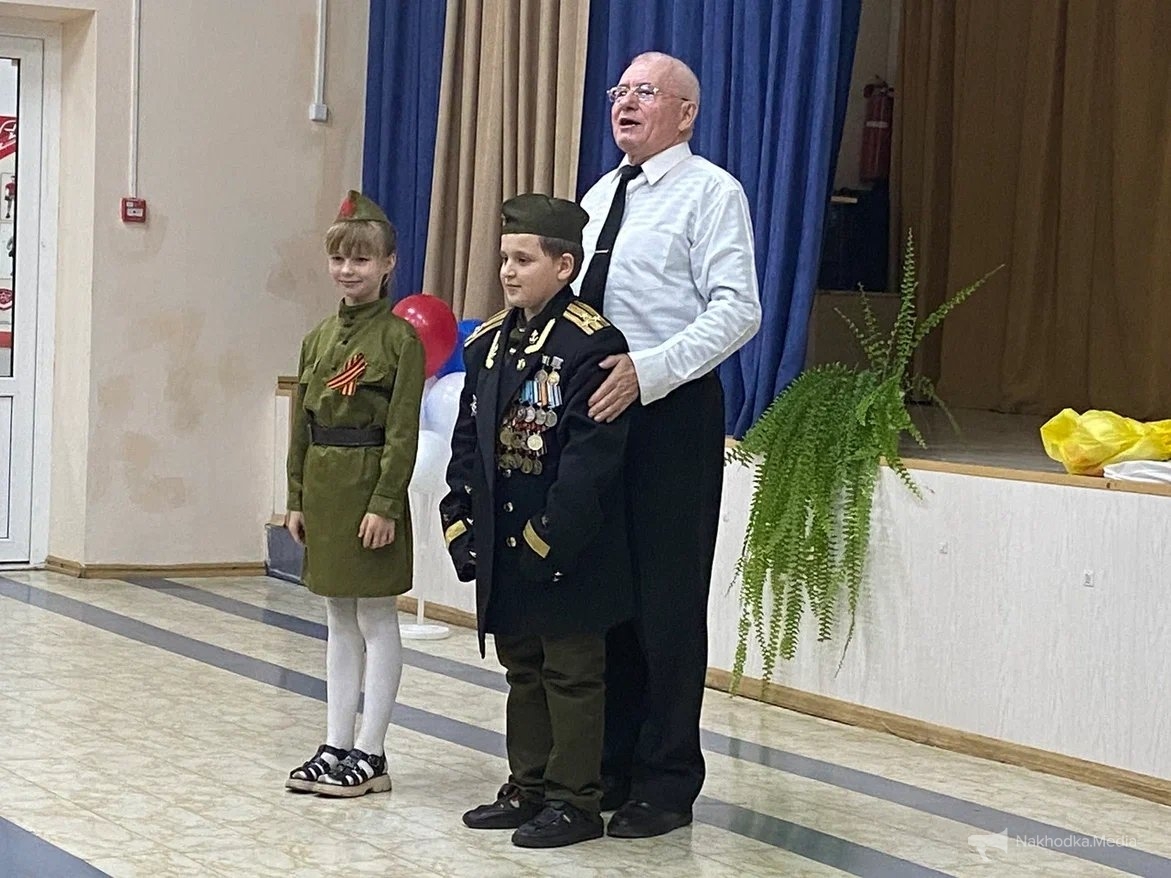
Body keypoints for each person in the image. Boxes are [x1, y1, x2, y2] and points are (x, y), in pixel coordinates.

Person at [574, 51, 762, 838]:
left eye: (644, 92)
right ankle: (608, 765)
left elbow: (737, 310)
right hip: (594, 414)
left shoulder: (712, 193)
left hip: (669, 413)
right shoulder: (598, 195)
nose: (624, 102)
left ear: (685, 113)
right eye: (619, 90)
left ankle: (666, 780)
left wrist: (648, 372)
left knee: (665, 604)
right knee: (605, 597)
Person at [440, 194, 634, 848]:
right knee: (522, 667)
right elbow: (467, 440)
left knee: (571, 674)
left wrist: (546, 535)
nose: (508, 271)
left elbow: (590, 459)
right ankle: (526, 786)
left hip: (566, 545)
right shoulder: (489, 342)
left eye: (523, 260)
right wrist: (460, 517)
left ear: (564, 265)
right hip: (503, 540)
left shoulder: (589, 343)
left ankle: (575, 801)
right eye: (504, 258)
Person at [284, 191, 425, 798]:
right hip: (324, 490)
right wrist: (295, 496)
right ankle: (335, 740)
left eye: (362, 259)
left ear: (388, 264)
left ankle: (372, 749)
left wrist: (385, 503)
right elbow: (302, 425)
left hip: (369, 489)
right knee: (337, 616)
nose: (349, 270)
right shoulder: (317, 338)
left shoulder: (399, 340)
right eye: (339, 258)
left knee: (375, 615)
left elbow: (402, 431)